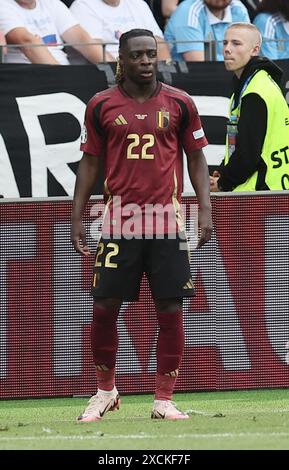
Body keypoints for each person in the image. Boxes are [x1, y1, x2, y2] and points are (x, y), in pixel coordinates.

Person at [71, 28, 213, 421]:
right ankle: (105, 391)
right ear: (122, 60)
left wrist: (205, 208)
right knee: (104, 308)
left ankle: (163, 399)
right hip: (119, 223)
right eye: (138, 56)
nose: (147, 62)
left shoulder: (180, 102)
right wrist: (77, 213)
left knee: (170, 308)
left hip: (167, 222)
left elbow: (197, 157)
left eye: (151, 54)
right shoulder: (100, 105)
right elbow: (90, 162)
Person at [210, 22, 289, 192]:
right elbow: (241, 143)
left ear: (255, 49)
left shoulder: (255, 91)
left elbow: (248, 155)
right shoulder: (255, 83)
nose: (227, 49)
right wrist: (224, 170)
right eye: (225, 43)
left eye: (236, 43)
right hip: (270, 190)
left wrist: (223, 183)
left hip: (262, 192)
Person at [0, 0, 114, 64]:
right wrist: (64, 79)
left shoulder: (52, 3)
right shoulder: (3, 5)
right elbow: (27, 43)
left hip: (62, 75)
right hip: (30, 79)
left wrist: (120, 74)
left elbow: (84, 41)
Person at [70, 0, 171, 61]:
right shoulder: (82, 5)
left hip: (143, 74)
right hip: (107, 76)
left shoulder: (138, 4)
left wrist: (166, 70)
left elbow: (159, 43)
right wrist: (125, 75)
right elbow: (96, 52)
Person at [164, 0, 250, 62]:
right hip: (189, 81)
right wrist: (239, 58)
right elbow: (199, 64)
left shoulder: (238, 8)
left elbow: (249, 54)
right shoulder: (188, 10)